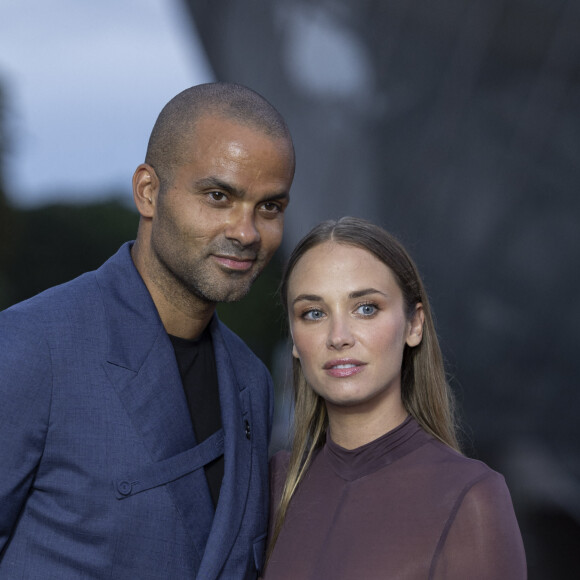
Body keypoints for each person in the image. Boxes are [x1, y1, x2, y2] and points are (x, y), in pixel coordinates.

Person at [0, 82, 295, 579]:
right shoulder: (32, 347)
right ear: (148, 192)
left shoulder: (252, 382)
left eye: (270, 207)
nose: (246, 232)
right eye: (219, 195)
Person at [264, 217, 527, 579]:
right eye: (314, 313)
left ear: (414, 325)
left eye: (366, 308)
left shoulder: (469, 497)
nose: (338, 337)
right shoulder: (273, 485)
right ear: (294, 339)